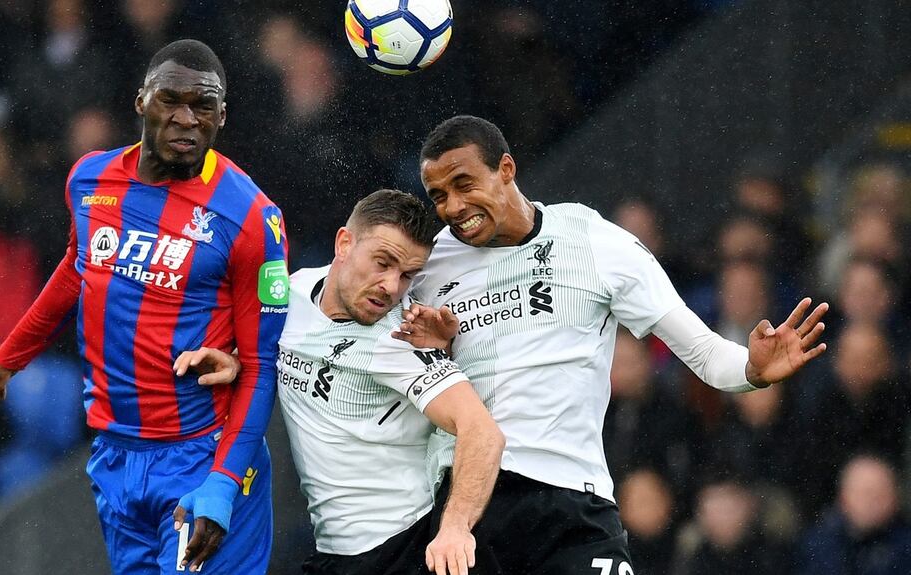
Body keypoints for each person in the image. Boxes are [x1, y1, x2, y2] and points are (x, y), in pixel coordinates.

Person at [396, 115, 829, 573]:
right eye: (438, 195)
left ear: (506, 168)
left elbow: (702, 351)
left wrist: (751, 369)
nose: (453, 206)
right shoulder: (427, 266)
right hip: (470, 510)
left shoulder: (594, 241)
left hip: (575, 505)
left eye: (464, 184)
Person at [0, 39, 287, 574]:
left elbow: (258, 366)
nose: (186, 119)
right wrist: (9, 358)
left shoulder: (250, 217)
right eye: (170, 100)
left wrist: (225, 484)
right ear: (141, 101)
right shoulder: (90, 180)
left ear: (222, 116)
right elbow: (76, 267)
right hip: (114, 455)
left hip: (201, 458)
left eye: (203, 105)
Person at [179, 189, 505, 575]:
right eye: (383, 263)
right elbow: (274, 352)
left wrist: (455, 527)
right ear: (344, 243)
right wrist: (239, 363)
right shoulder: (294, 293)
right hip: (334, 554)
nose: (391, 286)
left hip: (404, 549)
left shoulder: (399, 339)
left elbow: (482, 432)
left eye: (407, 276)